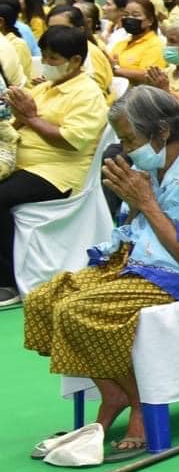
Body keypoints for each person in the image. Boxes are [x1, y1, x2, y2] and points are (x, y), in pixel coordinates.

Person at [23, 86, 179, 451]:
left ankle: (141, 401)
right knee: (43, 301)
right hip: (140, 264)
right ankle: (114, 393)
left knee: (76, 310)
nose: (125, 149)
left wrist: (147, 202)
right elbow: (136, 230)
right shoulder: (156, 164)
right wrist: (138, 203)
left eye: (130, 139)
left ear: (161, 132)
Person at [0, 26, 110, 308]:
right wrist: (15, 110)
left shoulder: (88, 94)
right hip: (25, 162)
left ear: (75, 61)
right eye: (45, 57)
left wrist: (31, 116)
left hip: (58, 173)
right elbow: (20, 122)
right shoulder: (47, 87)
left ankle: (7, 281)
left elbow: (70, 142)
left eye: (52, 58)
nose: (46, 63)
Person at [108, 0, 167, 83]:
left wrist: (116, 69)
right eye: (126, 15)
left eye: (135, 15)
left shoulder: (156, 44)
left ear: (150, 20)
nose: (129, 19)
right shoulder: (121, 43)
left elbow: (149, 76)